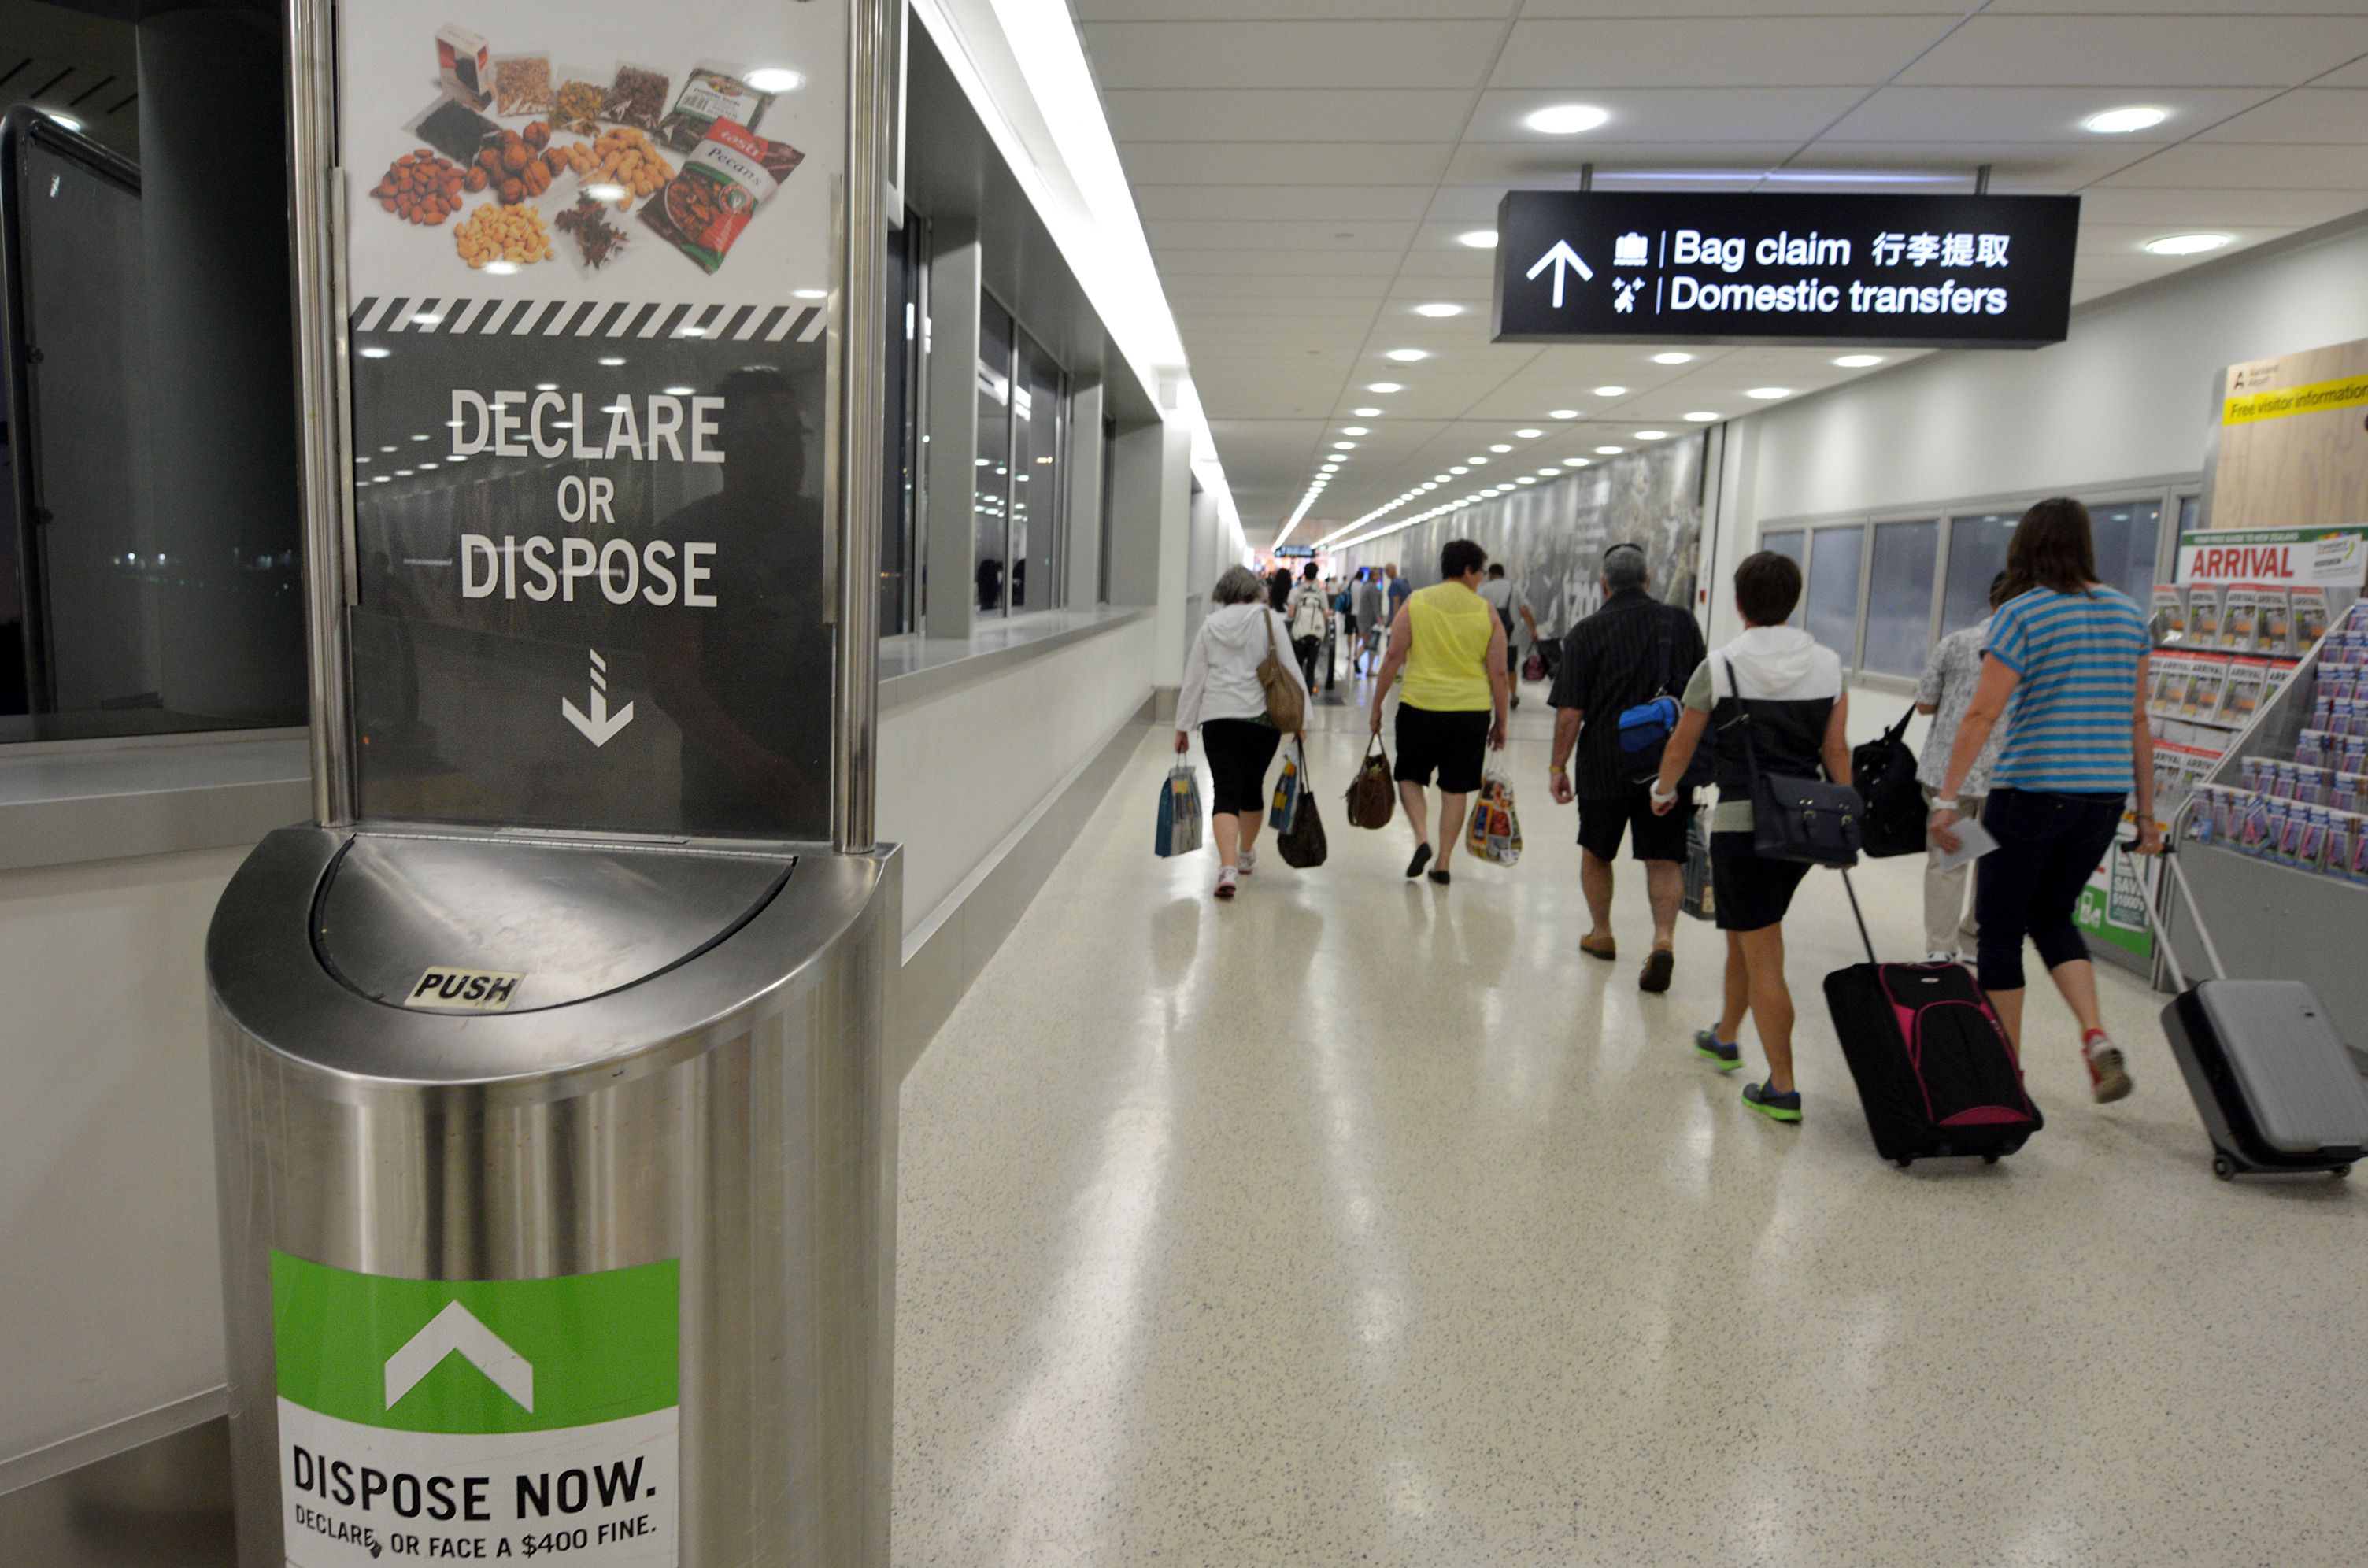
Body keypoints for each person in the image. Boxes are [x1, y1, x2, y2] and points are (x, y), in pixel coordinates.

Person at [1930, 497, 2158, 1104]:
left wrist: (1946, 799)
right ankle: (2095, 1035)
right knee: (2054, 917)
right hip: (2102, 799)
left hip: (2032, 789)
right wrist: (2151, 816)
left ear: (2024, 546)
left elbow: (1982, 712)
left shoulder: (2023, 612)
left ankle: (2007, 1070)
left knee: (2000, 929)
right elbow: (2138, 720)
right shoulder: (2128, 613)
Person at [1650, 551, 1848, 1125]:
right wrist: (1845, 812)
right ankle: (1725, 1034)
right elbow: (1835, 751)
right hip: (1803, 827)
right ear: (1793, 600)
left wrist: (1664, 791)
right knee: (1744, 931)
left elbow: (1683, 744)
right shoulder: (1828, 664)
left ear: (1738, 603)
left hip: (1744, 826)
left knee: (1763, 952)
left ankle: (1782, 1086)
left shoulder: (1724, 664)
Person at [1547, 542, 1708, 993]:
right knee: (1663, 856)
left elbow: (1570, 713)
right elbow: (1701, 697)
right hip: (1667, 765)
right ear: (1649, 580)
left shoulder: (1586, 633)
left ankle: (1602, 933)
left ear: (1604, 586)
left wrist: (1558, 765)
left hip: (1604, 762)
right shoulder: (1681, 623)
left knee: (1597, 851)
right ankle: (1663, 941)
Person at [1369, 539, 1508, 886]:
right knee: (1455, 788)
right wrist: (1501, 722)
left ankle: (1421, 838)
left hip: (1420, 707)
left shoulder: (1417, 602)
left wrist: (1376, 706)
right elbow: (1499, 674)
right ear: (1467, 571)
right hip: (1470, 713)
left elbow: (1393, 657)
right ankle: (1444, 862)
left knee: (1410, 777)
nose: (1479, 580)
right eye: (1478, 573)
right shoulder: (1486, 613)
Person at [1177, 564, 1311, 900]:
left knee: (1225, 791)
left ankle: (1227, 868)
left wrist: (1183, 725)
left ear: (1223, 594)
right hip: (1261, 721)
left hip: (1218, 719)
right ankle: (1246, 853)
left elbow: (1194, 678)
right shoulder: (1269, 620)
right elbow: (1290, 669)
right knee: (1251, 789)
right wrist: (1302, 721)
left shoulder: (1210, 626)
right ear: (1254, 593)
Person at [1913, 573, 2010, 962]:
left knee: (1949, 860)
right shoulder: (2034, 649)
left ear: (1991, 602)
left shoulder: (1956, 642)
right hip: (2006, 775)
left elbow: (1924, 704)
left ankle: (1940, 948)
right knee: (1993, 863)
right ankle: (1975, 941)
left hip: (1950, 774)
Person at [1477, 564, 1541, 708]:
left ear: (1491, 574)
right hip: (1510, 637)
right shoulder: (1514, 588)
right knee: (1511, 667)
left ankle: (1488, 696)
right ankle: (1513, 695)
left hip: (1489, 637)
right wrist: (1533, 629)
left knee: (1489, 666)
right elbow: (1524, 610)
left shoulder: (1484, 590)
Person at [1287, 562, 1330, 691]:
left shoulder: (1296, 591)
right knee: (1311, 668)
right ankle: (1308, 695)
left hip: (1299, 633)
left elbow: (1291, 613)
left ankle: (1296, 693)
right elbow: (1325, 613)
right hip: (1315, 634)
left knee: (1297, 666)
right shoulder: (1321, 592)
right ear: (1316, 574)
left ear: (1304, 574)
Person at [1353, 569, 1386, 675]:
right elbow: (1375, 605)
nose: (1379, 577)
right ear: (1372, 576)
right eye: (1377, 575)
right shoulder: (1373, 588)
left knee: (1366, 642)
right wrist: (1379, 619)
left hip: (1362, 618)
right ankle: (1369, 668)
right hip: (1370, 621)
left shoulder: (1365, 586)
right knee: (1372, 645)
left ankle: (1357, 659)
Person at [1384, 561, 1412, 628]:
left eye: (1387, 571)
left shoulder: (1395, 584)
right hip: (1406, 616)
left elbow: (1396, 603)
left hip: (1398, 618)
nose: (1386, 574)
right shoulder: (1404, 581)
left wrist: (1395, 621)